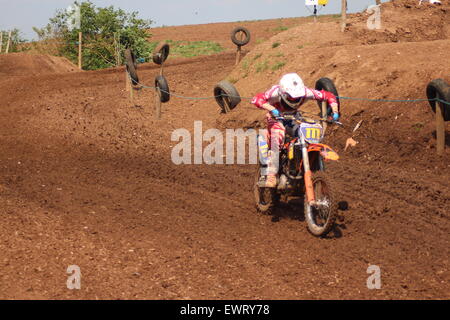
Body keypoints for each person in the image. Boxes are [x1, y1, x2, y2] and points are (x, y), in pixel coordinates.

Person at [251, 73, 340, 188]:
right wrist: (272, 109)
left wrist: (335, 111)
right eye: (291, 98)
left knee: (307, 137)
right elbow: (256, 99)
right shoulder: (275, 92)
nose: (294, 100)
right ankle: (271, 174)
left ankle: (302, 167)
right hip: (276, 117)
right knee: (277, 137)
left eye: (297, 98)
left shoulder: (305, 92)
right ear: (283, 93)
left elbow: (328, 95)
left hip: (293, 117)